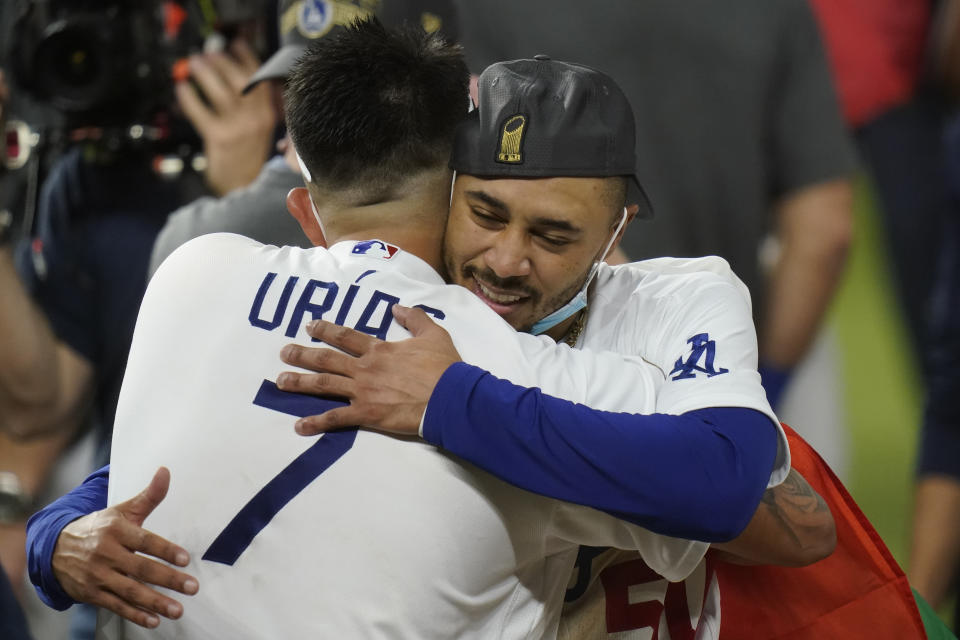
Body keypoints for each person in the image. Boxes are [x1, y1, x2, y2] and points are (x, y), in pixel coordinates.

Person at [30, 20, 815, 638]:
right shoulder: (515, 363)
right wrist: (57, 534)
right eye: (485, 214)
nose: (505, 260)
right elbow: (179, 457)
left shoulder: (202, 271)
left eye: (552, 235)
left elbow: (768, 511)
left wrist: (453, 402)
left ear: (619, 229)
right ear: (446, 196)